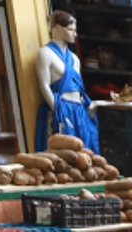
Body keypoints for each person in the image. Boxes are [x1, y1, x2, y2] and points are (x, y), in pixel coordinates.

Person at [36, 12, 100, 154]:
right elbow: (44, 85)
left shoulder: (74, 58)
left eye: (75, 30)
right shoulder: (45, 53)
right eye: (70, 30)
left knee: (85, 152)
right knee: (64, 154)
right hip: (61, 108)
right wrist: (57, 110)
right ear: (57, 28)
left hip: (79, 110)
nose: (74, 34)